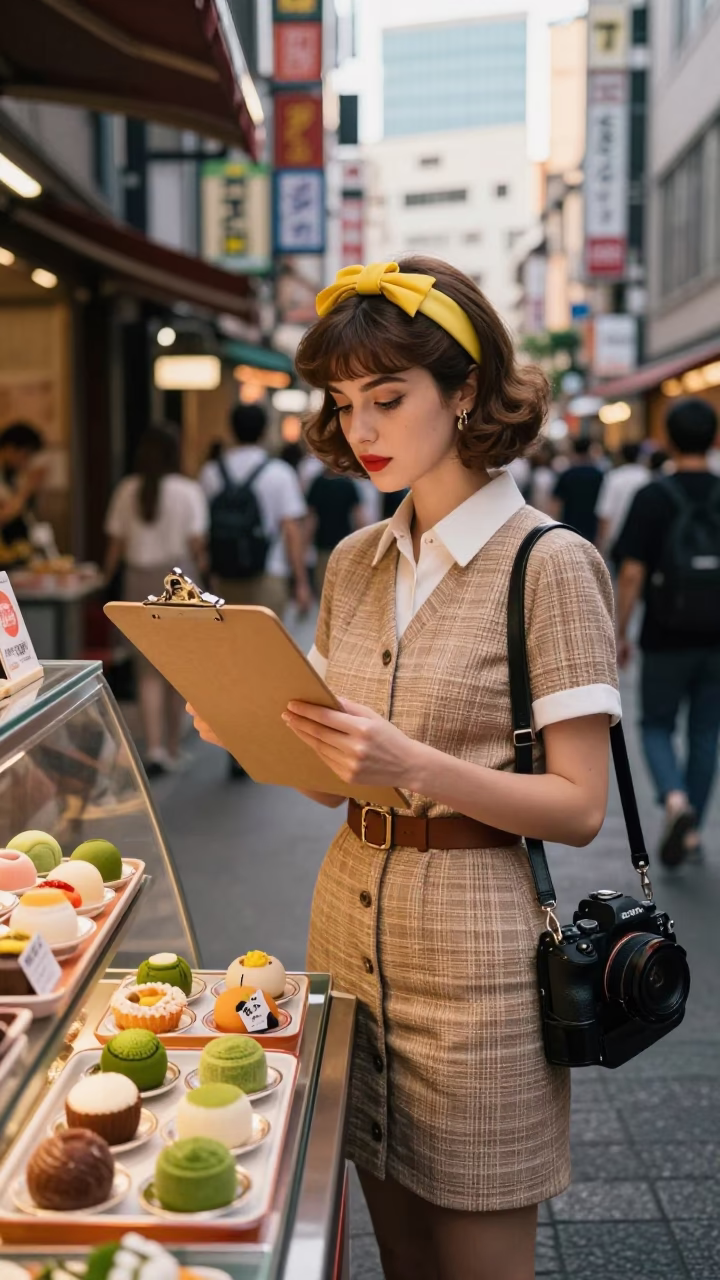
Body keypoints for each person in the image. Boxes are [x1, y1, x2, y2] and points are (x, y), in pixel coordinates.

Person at [189, 257, 620, 1280]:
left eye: (389, 396)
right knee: (399, 1254)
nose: (363, 427)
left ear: (465, 389)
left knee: (478, 1259)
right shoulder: (354, 560)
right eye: (344, 402)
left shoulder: (547, 562)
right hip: (348, 915)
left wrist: (412, 759)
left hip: (481, 953)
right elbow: (341, 780)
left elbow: (580, 805)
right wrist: (251, 728)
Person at [616, 397, 720, 867]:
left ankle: (675, 801)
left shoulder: (653, 496)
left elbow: (633, 572)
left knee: (656, 725)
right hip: (716, 638)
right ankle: (692, 827)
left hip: (663, 634)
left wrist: (619, 631)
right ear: (713, 437)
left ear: (669, 440)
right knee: (705, 732)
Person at [104, 423, 209, 776]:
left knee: (146, 669)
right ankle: (175, 746)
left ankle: (154, 749)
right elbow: (197, 542)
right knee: (178, 668)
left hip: (137, 579)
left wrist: (104, 579)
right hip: (179, 580)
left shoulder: (127, 489)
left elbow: (115, 546)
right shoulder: (187, 490)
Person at [200, 403, 311, 617]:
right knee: (267, 647)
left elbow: (204, 528)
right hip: (271, 572)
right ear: (264, 431)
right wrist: (301, 583)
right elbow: (291, 530)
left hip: (225, 574)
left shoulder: (211, 472)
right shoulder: (279, 472)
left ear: (231, 430)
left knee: (231, 646)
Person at [306, 467, 366, 595]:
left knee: (325, 593)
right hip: (342, 546)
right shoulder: (348, 484)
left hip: (327, 547)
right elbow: (359, 518)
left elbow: (310, 520)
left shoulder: (319, 483)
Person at [0, 422, 47, 567]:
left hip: (17, 556)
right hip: (4, 561)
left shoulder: (14, 476)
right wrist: (26, 490)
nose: (27, 461)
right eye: (25, 454)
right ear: (10, 448)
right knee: (5, 589)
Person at [595, 442, 649, 563]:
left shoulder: (614, 477)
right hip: (643, 538)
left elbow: (605, 513)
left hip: (616, 538)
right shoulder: (648, 477)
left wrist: (601, 543)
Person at [551, 436, 603, 542]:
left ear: (574, 451)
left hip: (569, 526)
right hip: (591, 526)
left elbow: (556, 503)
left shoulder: (567, 474)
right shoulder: (599, 475)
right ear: (589, 451)